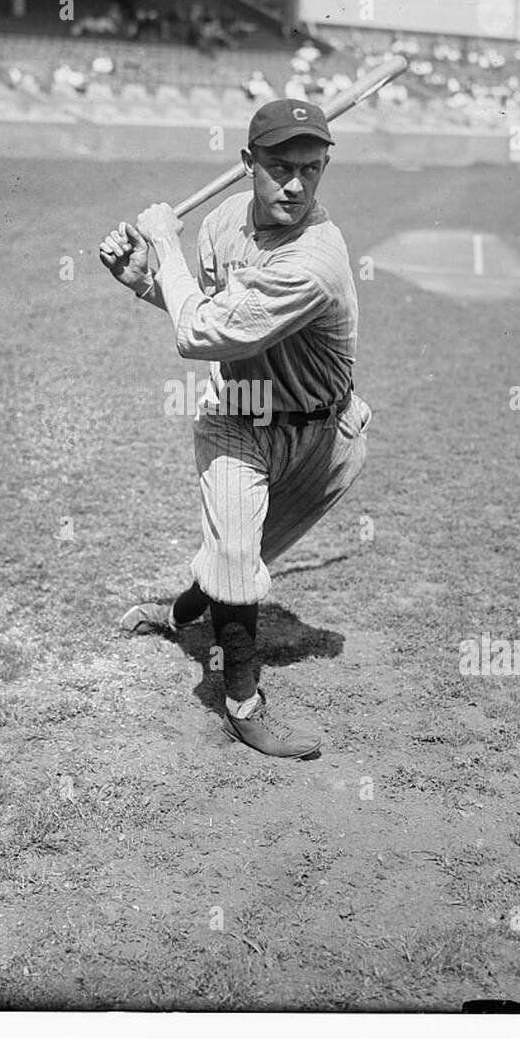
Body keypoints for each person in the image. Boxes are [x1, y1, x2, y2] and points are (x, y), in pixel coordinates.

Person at [99, 99, 372, 759]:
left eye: (311, 169)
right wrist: (148, 282)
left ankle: (177, 614)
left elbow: (199, 332)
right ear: (246, 163)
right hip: (239, 418)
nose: (296, 185)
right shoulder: (222, 223)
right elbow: (214, 316)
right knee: (233, 561)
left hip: (325, 438)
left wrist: (162, 243)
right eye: (279, 167)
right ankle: (244, 703)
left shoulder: (316, 259)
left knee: (242, 563)